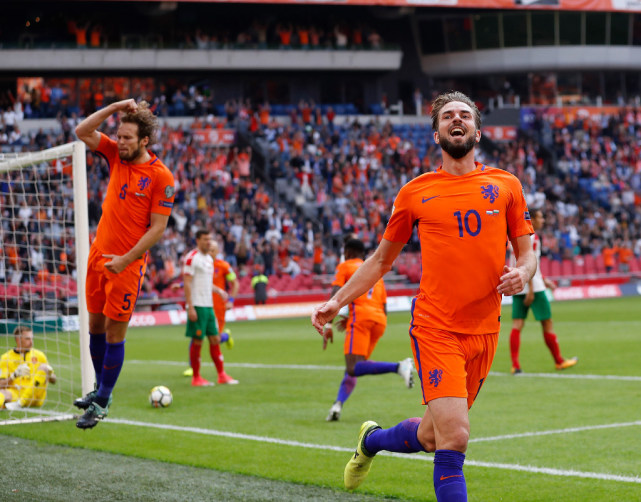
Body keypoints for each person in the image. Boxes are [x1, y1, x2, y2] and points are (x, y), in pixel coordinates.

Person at [311, 91, 536, 501]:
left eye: (464, 115)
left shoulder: (507, 185)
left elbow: (527, 252)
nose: (456, 119)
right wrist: (336, 301)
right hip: (436, 328)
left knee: (432, 436)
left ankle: (371, 441)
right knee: (456, 436)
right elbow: (381, 260)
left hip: (485, 330)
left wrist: (522, 272)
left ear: (477, 131)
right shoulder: (415, 192)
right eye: (447, 116)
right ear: (436, 135)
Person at [73, 99, 175, 429]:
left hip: (127, 266)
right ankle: (98, 390)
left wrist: (126, 259)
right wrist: (116, 106)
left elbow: (157, 228)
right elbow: (82, 131)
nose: (120, 142)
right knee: (95, 328)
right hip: (98, 257)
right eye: (119, 136)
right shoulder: (115, 155)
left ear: (145, 140)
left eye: (127, 137)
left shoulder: (161, 176)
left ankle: (103, 400)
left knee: (114, 333)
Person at [322, 238, 414, 422]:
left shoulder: (346, 266)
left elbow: (335, 293)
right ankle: (337, 405)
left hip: (361, 319)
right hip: (379, 321)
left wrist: (328, 323)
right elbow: (383, 304)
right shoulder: (373, 269)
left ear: (348, 252)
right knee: (357, 366)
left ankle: (399, 367)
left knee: (353, 367)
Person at [509, 208, 578, 374]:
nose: (543, 220)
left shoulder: (516, 235)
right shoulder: (531, 237)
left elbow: (531, 265)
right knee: (547, 323)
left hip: (518, 284)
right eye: (540, 217)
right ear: (531, 219)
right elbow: (527, 263)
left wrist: (544, 280)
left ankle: (515, 366)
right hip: (533, 287)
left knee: (517, 324)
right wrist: (532, 289)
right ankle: (559, 361)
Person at [183, 229, 238, 387]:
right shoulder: (192, 258)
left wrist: (218, 290)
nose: (208, 242)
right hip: (198, 305)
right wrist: (190, 307)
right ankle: (196, 377)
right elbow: (187, 282)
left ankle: (221, 375)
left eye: (210, 239)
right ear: (198, 240)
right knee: (197, 341)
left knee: (215, 339)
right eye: (205, 239)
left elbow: (206, 282)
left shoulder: (208, 259)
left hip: (209, 306)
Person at [1, 326, 57, 410]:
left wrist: (49, 374)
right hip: (17, 393)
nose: (31, 342)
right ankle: (14, 404)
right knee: (2, 393)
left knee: (44, 367)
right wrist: (14, 376)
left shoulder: (39, 355)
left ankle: (21, 403)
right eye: (27, 339)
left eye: (32, 338)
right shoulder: (6, 358)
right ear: (18, 340)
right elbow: (1, 385)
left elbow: (54, 380)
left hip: (36, 395)